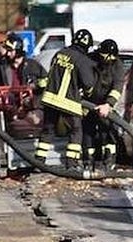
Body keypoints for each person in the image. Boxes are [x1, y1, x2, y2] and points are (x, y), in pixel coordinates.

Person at [36, 28, 98, 169]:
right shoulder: (83, 60)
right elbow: (88, 83)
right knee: (76, 131)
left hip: (50, 99)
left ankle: (38, 161)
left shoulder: (60, 53)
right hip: (69, 102)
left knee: (48, 130)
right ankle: (71, 164)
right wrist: (88, 93)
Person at [83, 38, 124, 170]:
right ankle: (88, 162)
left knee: (107, 132)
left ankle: (109, 161)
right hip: (89, 103)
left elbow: (117, 87)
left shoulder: (117, 65)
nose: (107, 61)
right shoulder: (90, 60)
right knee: (87, 131)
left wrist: (108, 104)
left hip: (106, 105)